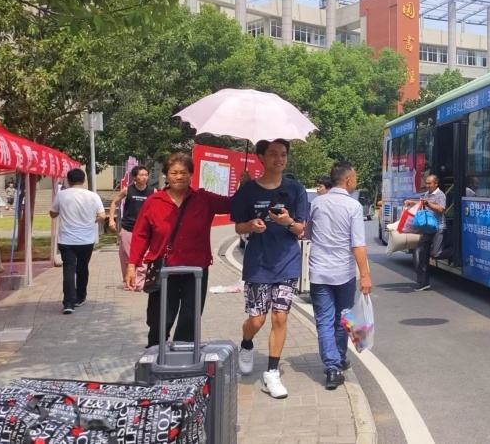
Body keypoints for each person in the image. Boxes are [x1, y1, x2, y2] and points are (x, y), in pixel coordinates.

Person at [126, 153, 231, 349]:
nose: (179, 177)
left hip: (195, 272)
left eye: (184, 172)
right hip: (164, 270)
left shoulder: (203, 199)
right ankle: (155, 356)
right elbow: (141, 235)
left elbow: (234, 204)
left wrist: (245, 185)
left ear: (191, 174)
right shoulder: (154, 201)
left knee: (190, 320)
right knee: (160, 320)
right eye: (174, 173)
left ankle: (182, 359)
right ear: (166, 175)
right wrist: (132, 266)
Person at [230, 139, 307, 399]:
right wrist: (252, 224)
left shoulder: (295, 189)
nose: (279, 159)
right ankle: (246, 344)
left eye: (283, 154)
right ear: (261, 157)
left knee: (280, 317)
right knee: (257, 319)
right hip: (258, 263)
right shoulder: (248, 190)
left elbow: (301, 228)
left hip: (287, 262)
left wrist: (288, 222)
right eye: (273, 154)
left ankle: (272, 373)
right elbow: (238, 227)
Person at [306, 162, 372, 390]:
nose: (356, 182)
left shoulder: (317, 203)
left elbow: (308, 233)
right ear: (347, 180)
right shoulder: (353, 206)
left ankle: (332, 368)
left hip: (319, 271)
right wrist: (365, 276)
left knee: (324, 320)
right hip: (344, 272)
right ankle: (340, 359)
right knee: (343, 317)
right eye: (355, 178)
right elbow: (358, 244)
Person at [49, 168, 106, 314]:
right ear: (84, 180)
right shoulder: (92, 196)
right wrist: (91, 221)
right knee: (82, 268)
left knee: (69, 269)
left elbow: (53, 214)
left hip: (67, 240)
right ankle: (80, 296)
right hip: (86, 240)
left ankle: (69, 302)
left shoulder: (61, 195)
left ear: (68, 180)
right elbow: (102, 216)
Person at [108, 166, 155, 291]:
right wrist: (111, 219)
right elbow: (114, 202)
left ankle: (139, 283)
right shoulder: (127, 190)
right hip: (128, 228)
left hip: (145, 229)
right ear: (135, 177)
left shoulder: (153, 191)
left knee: (144, 257)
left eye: (146, 175)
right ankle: (128, 281)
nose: (144, 177)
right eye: (141, 175)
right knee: (128, 256)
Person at [406, 174, 446, 291]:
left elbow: (441, 209)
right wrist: (412, 203)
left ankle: (452, 252)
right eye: (426, 183)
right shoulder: (427, 194)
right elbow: (421, 204)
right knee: (423, 256)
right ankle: (423, 283)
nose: (427, 185)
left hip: (438, 227)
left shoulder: (440, 195)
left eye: (429, 183)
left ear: (436, 184)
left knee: (435, 254)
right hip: (427, 228)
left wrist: (428, 204)